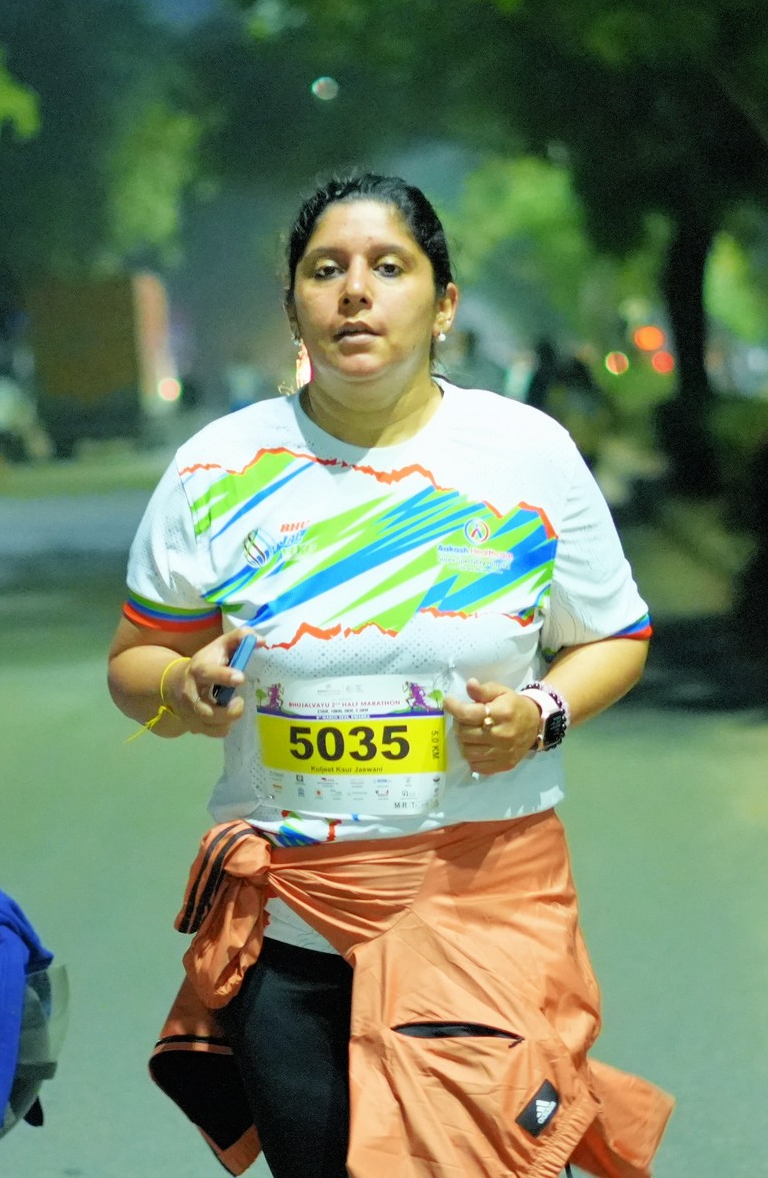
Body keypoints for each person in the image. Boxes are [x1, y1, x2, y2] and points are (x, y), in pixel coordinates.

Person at [107, 173, 673, 1176]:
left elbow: (616, 635)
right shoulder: (215, 466)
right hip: (291, 931)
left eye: (387, 267)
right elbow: (133, 661)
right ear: (295, 306)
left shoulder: (526, 454)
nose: (355, 291)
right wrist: (179, 688)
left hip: (485, 911)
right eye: (325, 270)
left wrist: (540, 710)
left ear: (442, 304)